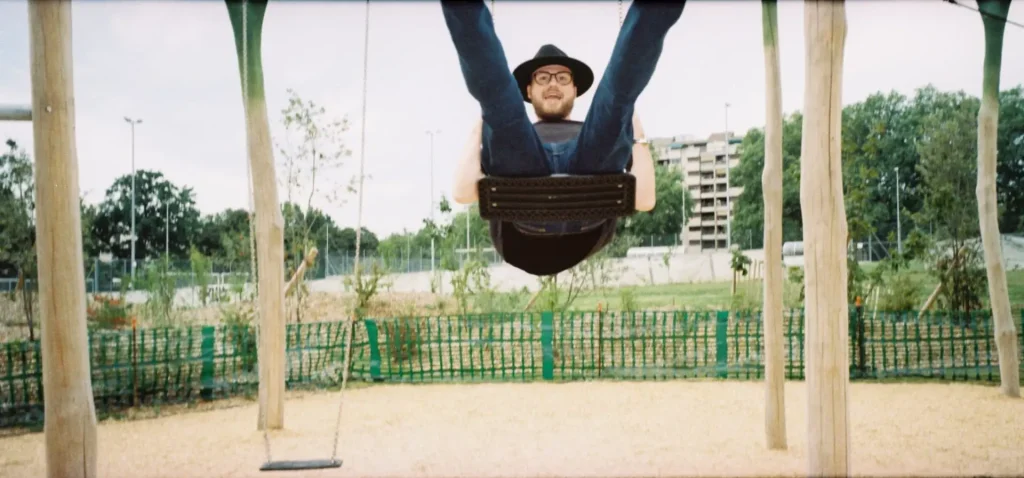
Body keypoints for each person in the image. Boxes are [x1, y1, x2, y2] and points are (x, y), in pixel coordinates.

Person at [441, 0, 686, 276]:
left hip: (587, 185)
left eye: (562, 78)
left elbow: (644, 199)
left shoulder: (593, 130)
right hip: (523, 224)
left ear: (575, 89)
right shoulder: (514, 130)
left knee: (618, 96)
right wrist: (485, 118)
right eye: (543, 78)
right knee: (497, 98)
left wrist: (634, 127)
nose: (553, 83)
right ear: (529, 91)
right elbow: (462, 193)